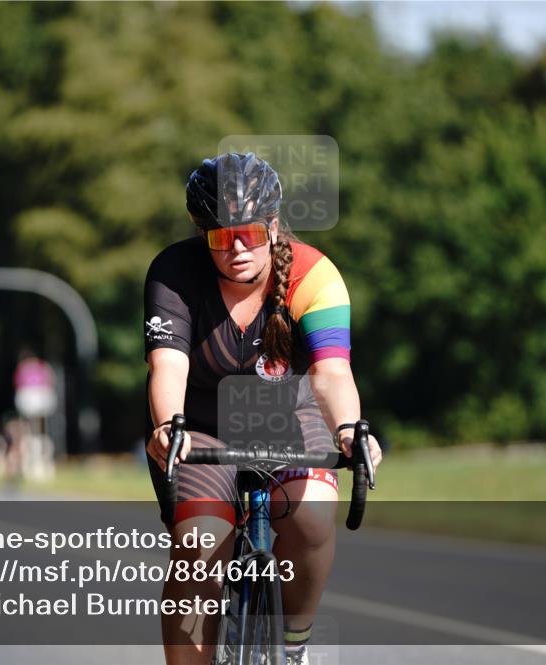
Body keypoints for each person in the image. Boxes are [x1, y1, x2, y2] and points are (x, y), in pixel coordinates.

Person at [144, 152, 383, 665]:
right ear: (200, 233)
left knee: (314, 519)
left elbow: (331, 372)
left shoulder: (314, 274)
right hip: (202, 430)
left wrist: (347, 430)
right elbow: (168, 367)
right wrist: (167, 427)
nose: (235, 248)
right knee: (199, 544)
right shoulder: (174, 272)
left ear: (273, 225)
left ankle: (293, 645)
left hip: (290, 422)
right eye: (218, 235)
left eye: (250, 232)